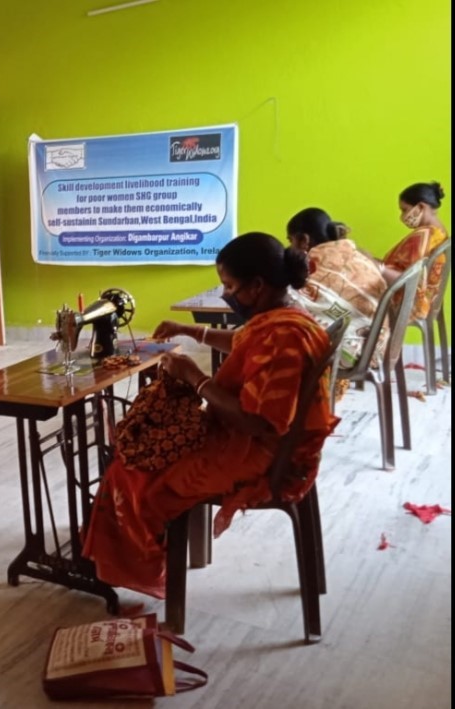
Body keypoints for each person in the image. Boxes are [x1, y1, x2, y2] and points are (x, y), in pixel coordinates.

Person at [82, 232, 339, 599]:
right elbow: (245, 342)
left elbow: (259, 421)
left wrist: (195, 378)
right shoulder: (287, 317)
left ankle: (135, 568)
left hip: (263, 454)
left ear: (257, 286)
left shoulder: (282, 337)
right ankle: (123, 551)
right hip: (270, 443)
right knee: (146, 448)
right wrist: (190, 330)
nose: (226, 294)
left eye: (229, 286)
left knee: (132, 469)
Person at [286, 207, 387, 369]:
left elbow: (298, 298)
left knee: (283, 315)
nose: (290, 247)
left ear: (304, 240)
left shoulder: (314, 262)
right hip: (377, 345)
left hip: (350, 351)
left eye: (291, 240)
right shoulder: (354, 253)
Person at [381, 182, 449, 320]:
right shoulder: (440, 232)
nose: (402, 216)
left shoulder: (425, 235)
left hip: (411, 301)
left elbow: (411, 279)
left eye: (404, 210)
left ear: (421, 207)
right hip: (428, 299)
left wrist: (378, 268)